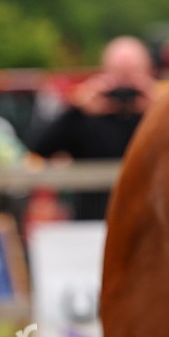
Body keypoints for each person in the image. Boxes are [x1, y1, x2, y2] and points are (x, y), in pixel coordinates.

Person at [28, 36, 157, 221]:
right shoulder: (83, 118)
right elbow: (39, 147)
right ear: (103, 73)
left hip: (149, 222)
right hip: (93, 223)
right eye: (118, 74)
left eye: (133, 74)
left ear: (149, 73)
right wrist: (76, 108)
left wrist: (159, 108)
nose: (125, 86)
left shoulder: (159, 117)